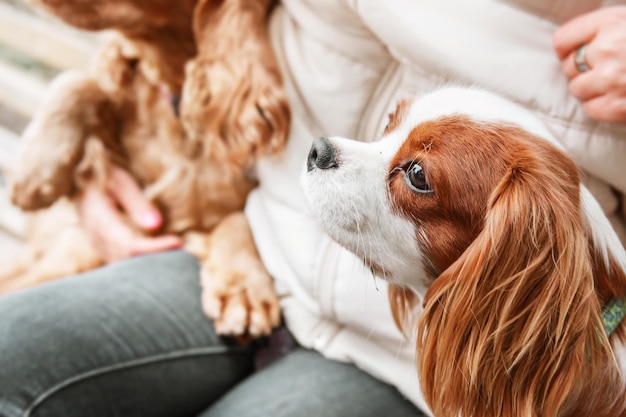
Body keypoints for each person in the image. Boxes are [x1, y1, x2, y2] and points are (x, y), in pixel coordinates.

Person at [1, 1, 625, 416]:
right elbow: (162, 27)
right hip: (245, 247)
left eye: (415, 172)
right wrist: (91, 151)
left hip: (426, 362)